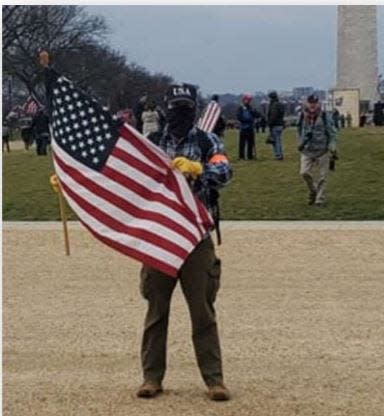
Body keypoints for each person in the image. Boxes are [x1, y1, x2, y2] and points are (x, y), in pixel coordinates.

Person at [137, 83, 232, 401]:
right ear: (166, 109)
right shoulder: (150, 142)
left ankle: (214, 380)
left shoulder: (207, 139)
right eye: (176, 108)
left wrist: (199, 170)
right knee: (156, 311)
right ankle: (151, 378)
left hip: (195, 236)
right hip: (160, 237)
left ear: (194, 110)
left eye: (186, 109)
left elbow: (225, 170)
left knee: (203, 311)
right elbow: (127, 175)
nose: (180, 114)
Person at [297, 94, 337, 207]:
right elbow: (299, 130)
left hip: (322, 149)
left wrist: (332, 147)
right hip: (307, 149)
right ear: (306, 103)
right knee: (304, 172)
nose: (312, 105)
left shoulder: (324, 116)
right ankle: (313, 190)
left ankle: (319, 199)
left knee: (323, 177)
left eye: (314, 102)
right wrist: (300, 142)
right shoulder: (302, 115)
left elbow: (332, 133)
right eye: (310, 102)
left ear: (318, 103)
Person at [236, 93, 259, 160]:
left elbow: (257, 115)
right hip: (243, 127)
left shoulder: (251, 108)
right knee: (242, 143)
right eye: (247, 100)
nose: (248, 101)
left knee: (250, 143)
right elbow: (239, 117)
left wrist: (254, 113)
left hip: (250, 127)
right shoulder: (240, 108)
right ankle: (241, 156)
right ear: (244, 100)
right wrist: (247, 120)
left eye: (249, 100)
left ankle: (250, 156)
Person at [267, 91, 285, 160]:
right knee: (278, 140)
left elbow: (273, 115)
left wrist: (269, 123)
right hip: (280, 124)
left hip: (275, 125)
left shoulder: (273, 105)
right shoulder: (280, 104)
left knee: (276, 141)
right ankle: (279, 154)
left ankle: (278, 155)